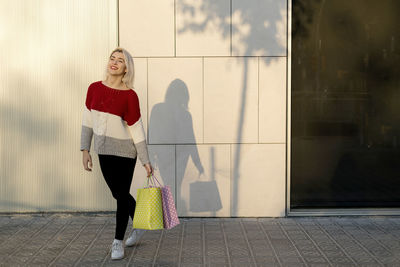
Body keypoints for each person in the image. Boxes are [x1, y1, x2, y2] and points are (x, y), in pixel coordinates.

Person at [80, 47, 153, 260]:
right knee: (118, 193)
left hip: (125, 153)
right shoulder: (93, 88)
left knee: (121, 196)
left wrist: (145, 160)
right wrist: (85, 149)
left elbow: (136, 129)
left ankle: (117, 242)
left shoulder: (130, 96)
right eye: (112, 58)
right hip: (103, 150)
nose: (114, 62)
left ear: (125, 69)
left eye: (120, 61)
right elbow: (87, 122)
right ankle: (139, 221)